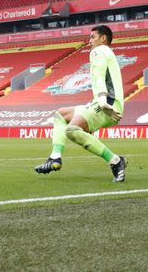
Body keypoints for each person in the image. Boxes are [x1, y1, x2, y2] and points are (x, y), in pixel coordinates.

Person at [34, 25, 127, 182]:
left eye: (93, 37)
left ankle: (116, 161)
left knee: (71, 130)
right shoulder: (108, 54)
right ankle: (54, 157)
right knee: (60, 114)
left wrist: (103, 100)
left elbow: (98, 76)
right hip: (105, 103)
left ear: (103, 38)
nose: (89, 41)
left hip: (106, 104)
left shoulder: (99, 51)